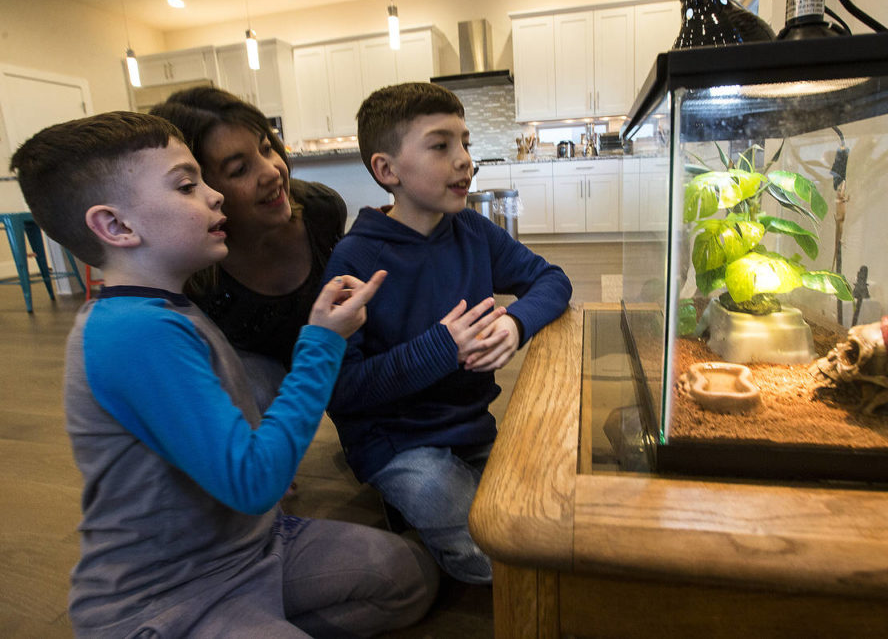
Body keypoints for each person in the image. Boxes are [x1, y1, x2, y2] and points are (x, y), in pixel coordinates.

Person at [10, 111, 438, 637]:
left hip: (250, 544)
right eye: (187, 185)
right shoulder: (132, 332)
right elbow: (254, 482)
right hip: (168, 594)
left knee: (409, 576)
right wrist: (322, 344)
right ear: (116, 227)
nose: (215, 196)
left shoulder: (167, 308)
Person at [322, 82, 573, 585]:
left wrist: (515, 321)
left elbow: (552, 280)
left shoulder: (473, 232)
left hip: (470, 428)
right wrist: (441, 347)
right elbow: (340, 391)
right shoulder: (356, 259)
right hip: (396, 443)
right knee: (495, 557)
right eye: (440, 146)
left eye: (465, 143)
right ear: (387, 170)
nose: (465, 160)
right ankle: (405, 503)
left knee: (543, 523)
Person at [150, 87, 346, 408]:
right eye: (239, 169)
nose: (271, 172)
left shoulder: (321, 209)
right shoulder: (192, 268)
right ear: (198, 189)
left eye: (266, 149)